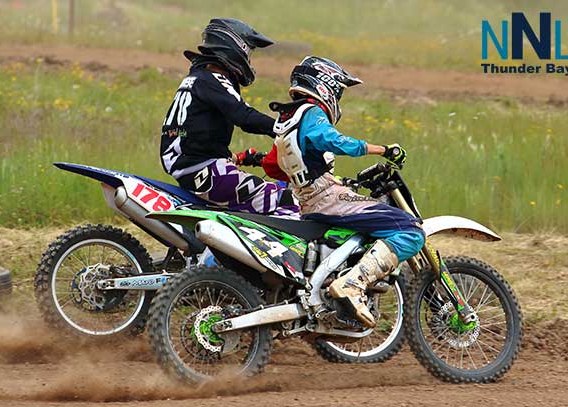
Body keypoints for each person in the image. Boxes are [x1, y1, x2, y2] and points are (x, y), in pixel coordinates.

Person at [269, 56, 426, 327]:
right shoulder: (312, 111)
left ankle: (333, 288)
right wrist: (382, 149)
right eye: (338, 91)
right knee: (411, 231)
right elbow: (332, 140)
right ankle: (353, 284)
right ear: (325, 85)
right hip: (326, 199)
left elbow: (272, 164)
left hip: (307, 200)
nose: (338, 98)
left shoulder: (287, 117)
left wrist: (331, 179)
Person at [160, 18, 297, 215]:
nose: (249, 60)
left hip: (194, 167)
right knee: (287, 200)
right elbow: (245, 117)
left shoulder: (198, 78)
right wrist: (287, 127)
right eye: (249, 52)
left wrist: (237, 157)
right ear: (234, 47)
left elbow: (194, 135)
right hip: (204, 171)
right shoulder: (213, 79)